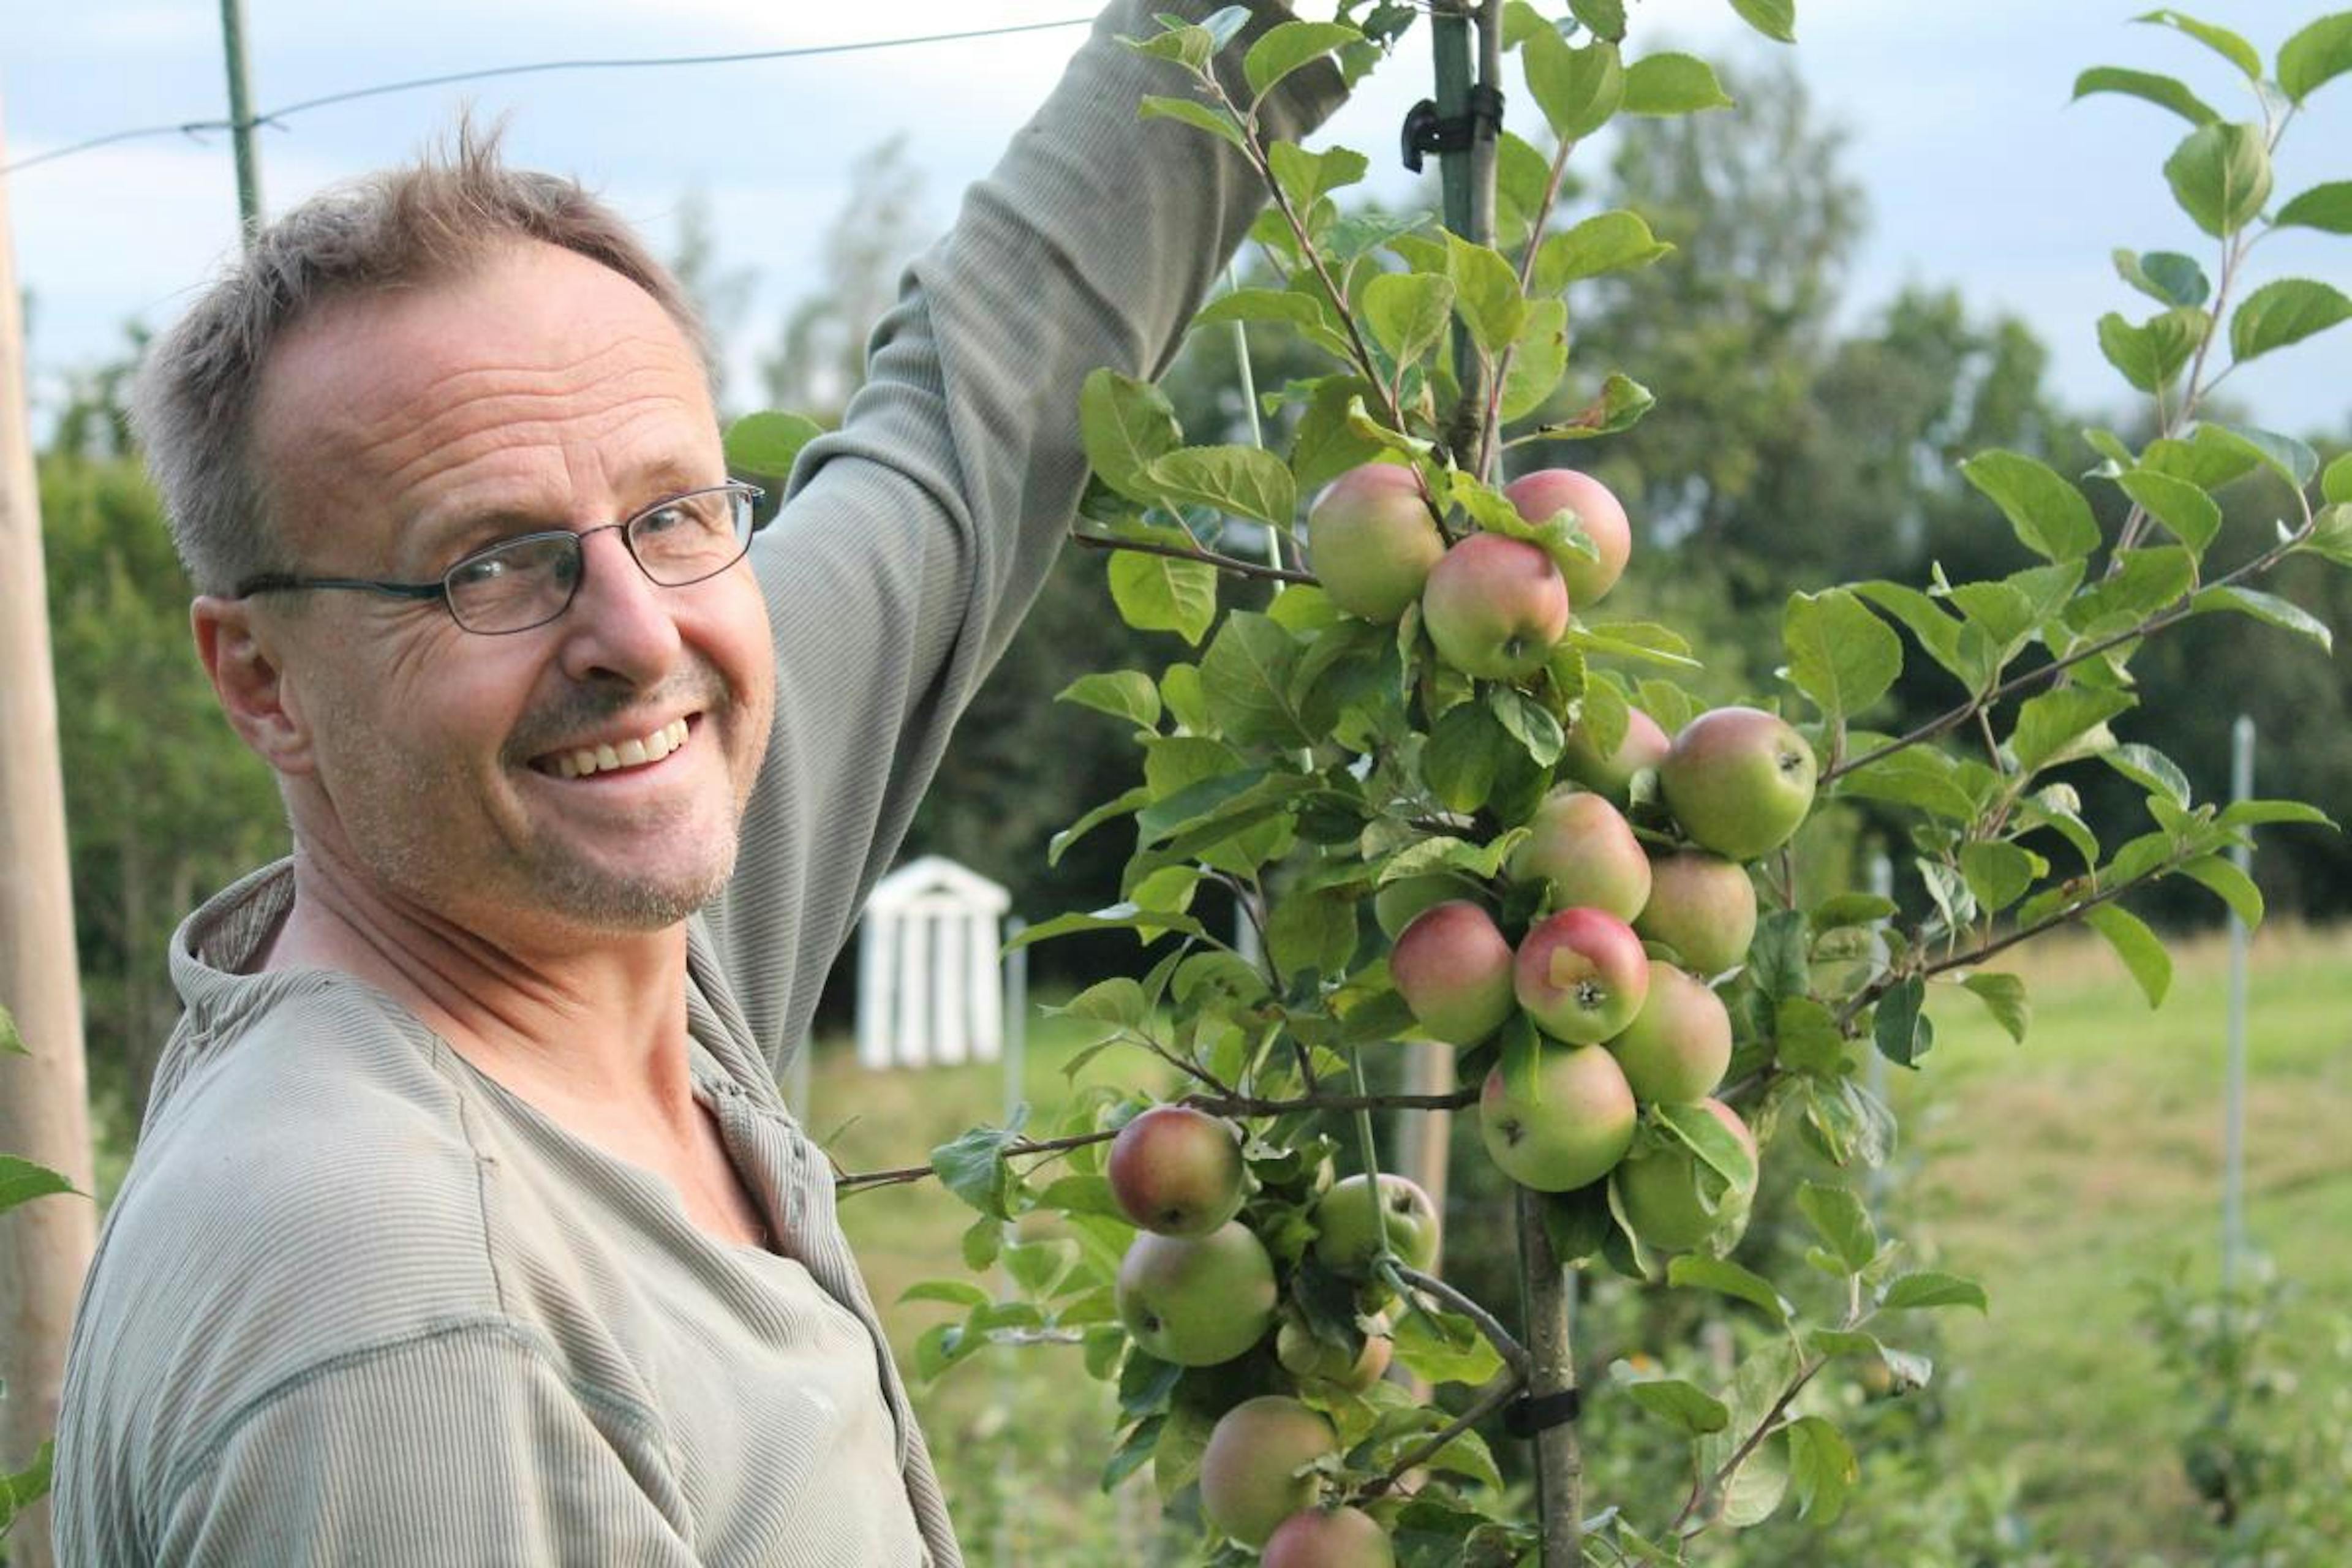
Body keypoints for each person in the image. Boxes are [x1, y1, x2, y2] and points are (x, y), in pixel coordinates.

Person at [52, 4, 1341, 1562]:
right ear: (263, 680)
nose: (637, 634)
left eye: (673, 512)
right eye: (491, 564)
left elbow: (970, 411)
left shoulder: (602, 929)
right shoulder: (419, 1323)